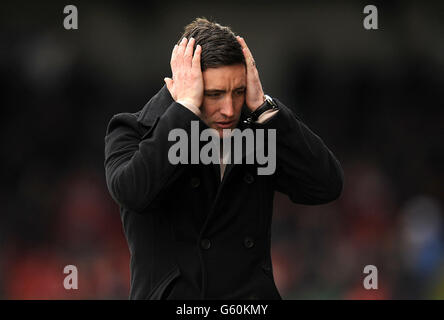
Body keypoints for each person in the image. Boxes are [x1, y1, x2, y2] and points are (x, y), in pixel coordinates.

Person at [104, 17, 343, 299]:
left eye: (237, 92)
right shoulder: (133, 130)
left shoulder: (255, 130)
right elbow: (133, 192)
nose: (229, 109)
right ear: (185, 82)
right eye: (214, 94)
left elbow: (325, 185)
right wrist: (183, 110)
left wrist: (264, 110)